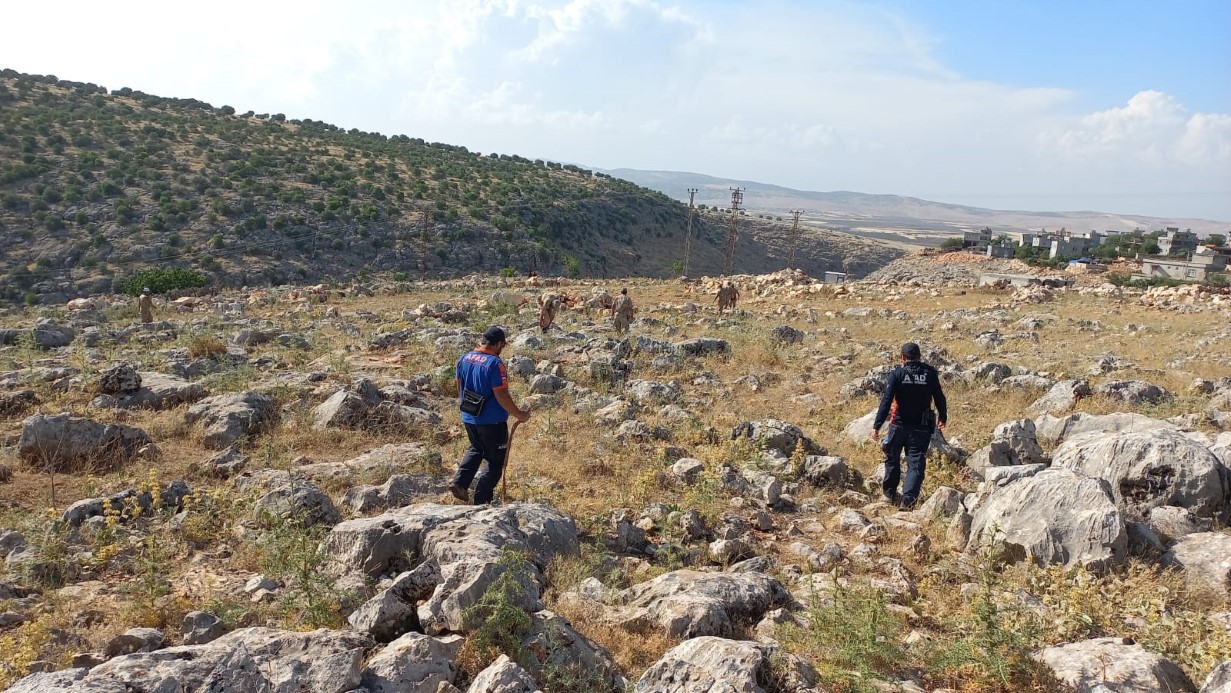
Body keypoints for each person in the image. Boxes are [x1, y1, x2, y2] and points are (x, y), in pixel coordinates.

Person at [449, 326, 531, 505]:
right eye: (503, 345)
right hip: (492, 421)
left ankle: (460, 483)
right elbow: (501, 394)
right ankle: (482, 501)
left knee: (477, 448)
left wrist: (465, 407)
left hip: (469, 416)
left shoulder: (465, 358)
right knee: (496, 461)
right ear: (499, 344)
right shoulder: (495, 364)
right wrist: (520, 415)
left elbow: (459, 385)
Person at [871, 342, 948, 510]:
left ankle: (889, 493)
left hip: (897, 425)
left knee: (892, 458)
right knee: (915, 462)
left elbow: (886, 401)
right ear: (919, 356)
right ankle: (908, 500)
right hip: (921, 427)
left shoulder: (897, 374)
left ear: (903, 357)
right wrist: (943, 416)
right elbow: (939, 397)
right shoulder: (929, 373)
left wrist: (877, 426)